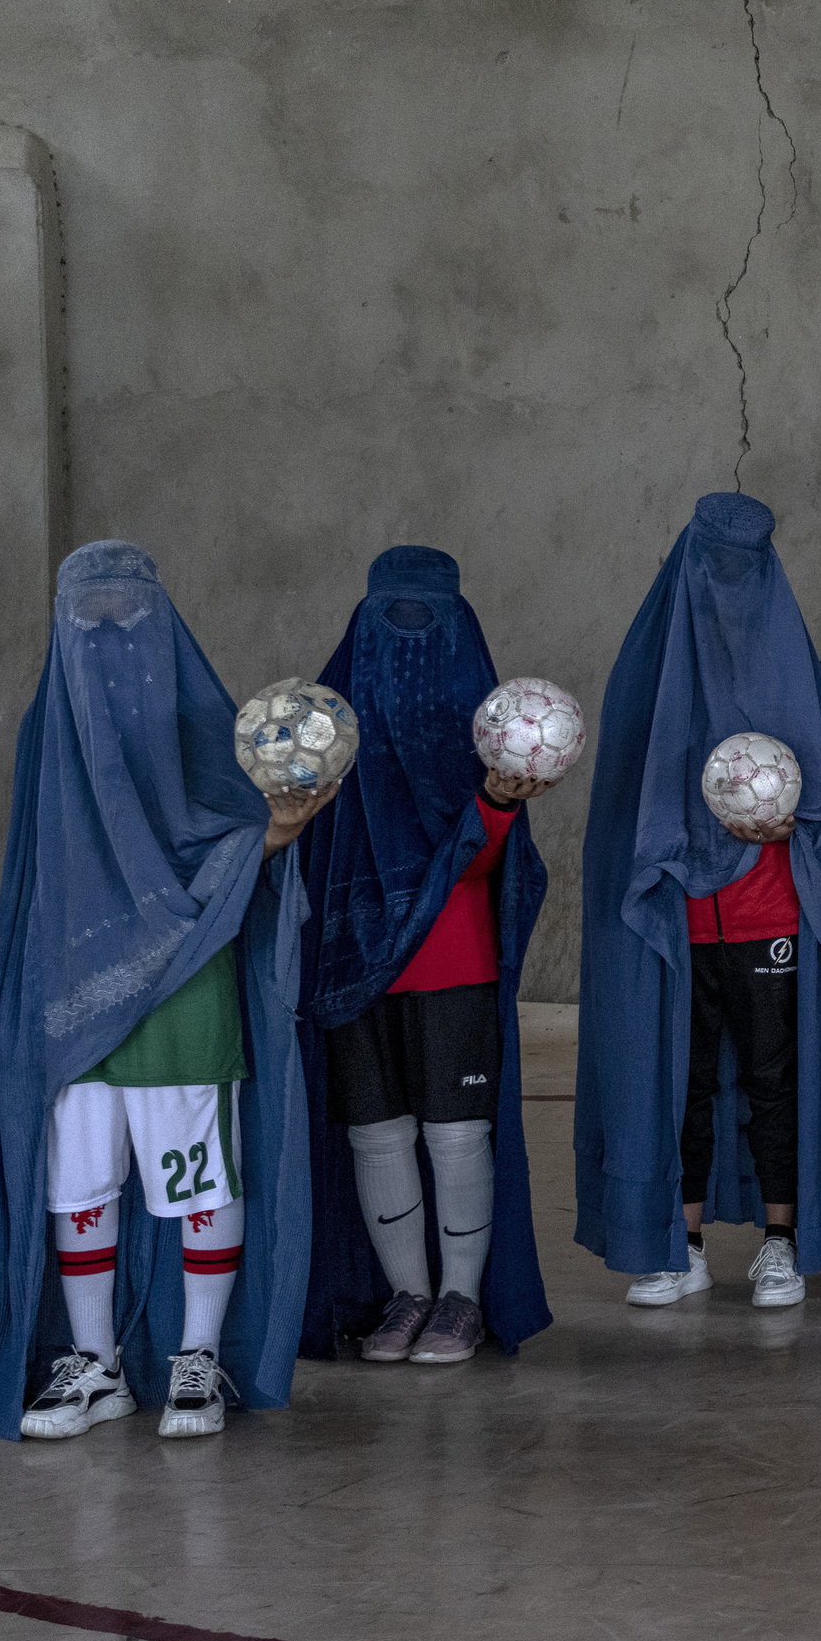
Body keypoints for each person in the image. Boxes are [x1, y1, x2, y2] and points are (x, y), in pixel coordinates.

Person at [0, 542, 329, 1442]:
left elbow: (237, 840)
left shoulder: (203, 724)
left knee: (197, 1175)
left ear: (164, 627)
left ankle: (198, 1355)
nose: (108, 635)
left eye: (130, 618)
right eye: (87, 617)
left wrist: (278, 832)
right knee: (78, 1184)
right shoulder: (47, 731)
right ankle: (96, 1363)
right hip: (75, 995)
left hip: (185, 988)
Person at [574, 493, 821, 1307]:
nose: (729, 585)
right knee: (681, 1079)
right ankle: (679, 1246)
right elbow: (623, 801)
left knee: (773, 1079)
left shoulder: (789, 664)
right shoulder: (650, 667)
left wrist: (799, 823)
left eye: (746, 567)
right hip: (677, 922)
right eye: (714, 565)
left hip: (769, 915)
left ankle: (781, 1242)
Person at [297, 547, 556, 1366]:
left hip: (454, 955)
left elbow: (486, 860)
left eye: (429, 617)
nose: (409, 634)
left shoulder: (491, 729)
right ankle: (407, 1293)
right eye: (391, 615)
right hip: (351, 961)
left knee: (455, 1133)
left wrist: (497, 804)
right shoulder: (325, 730)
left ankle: (463, 1299)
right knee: (374, 1132)